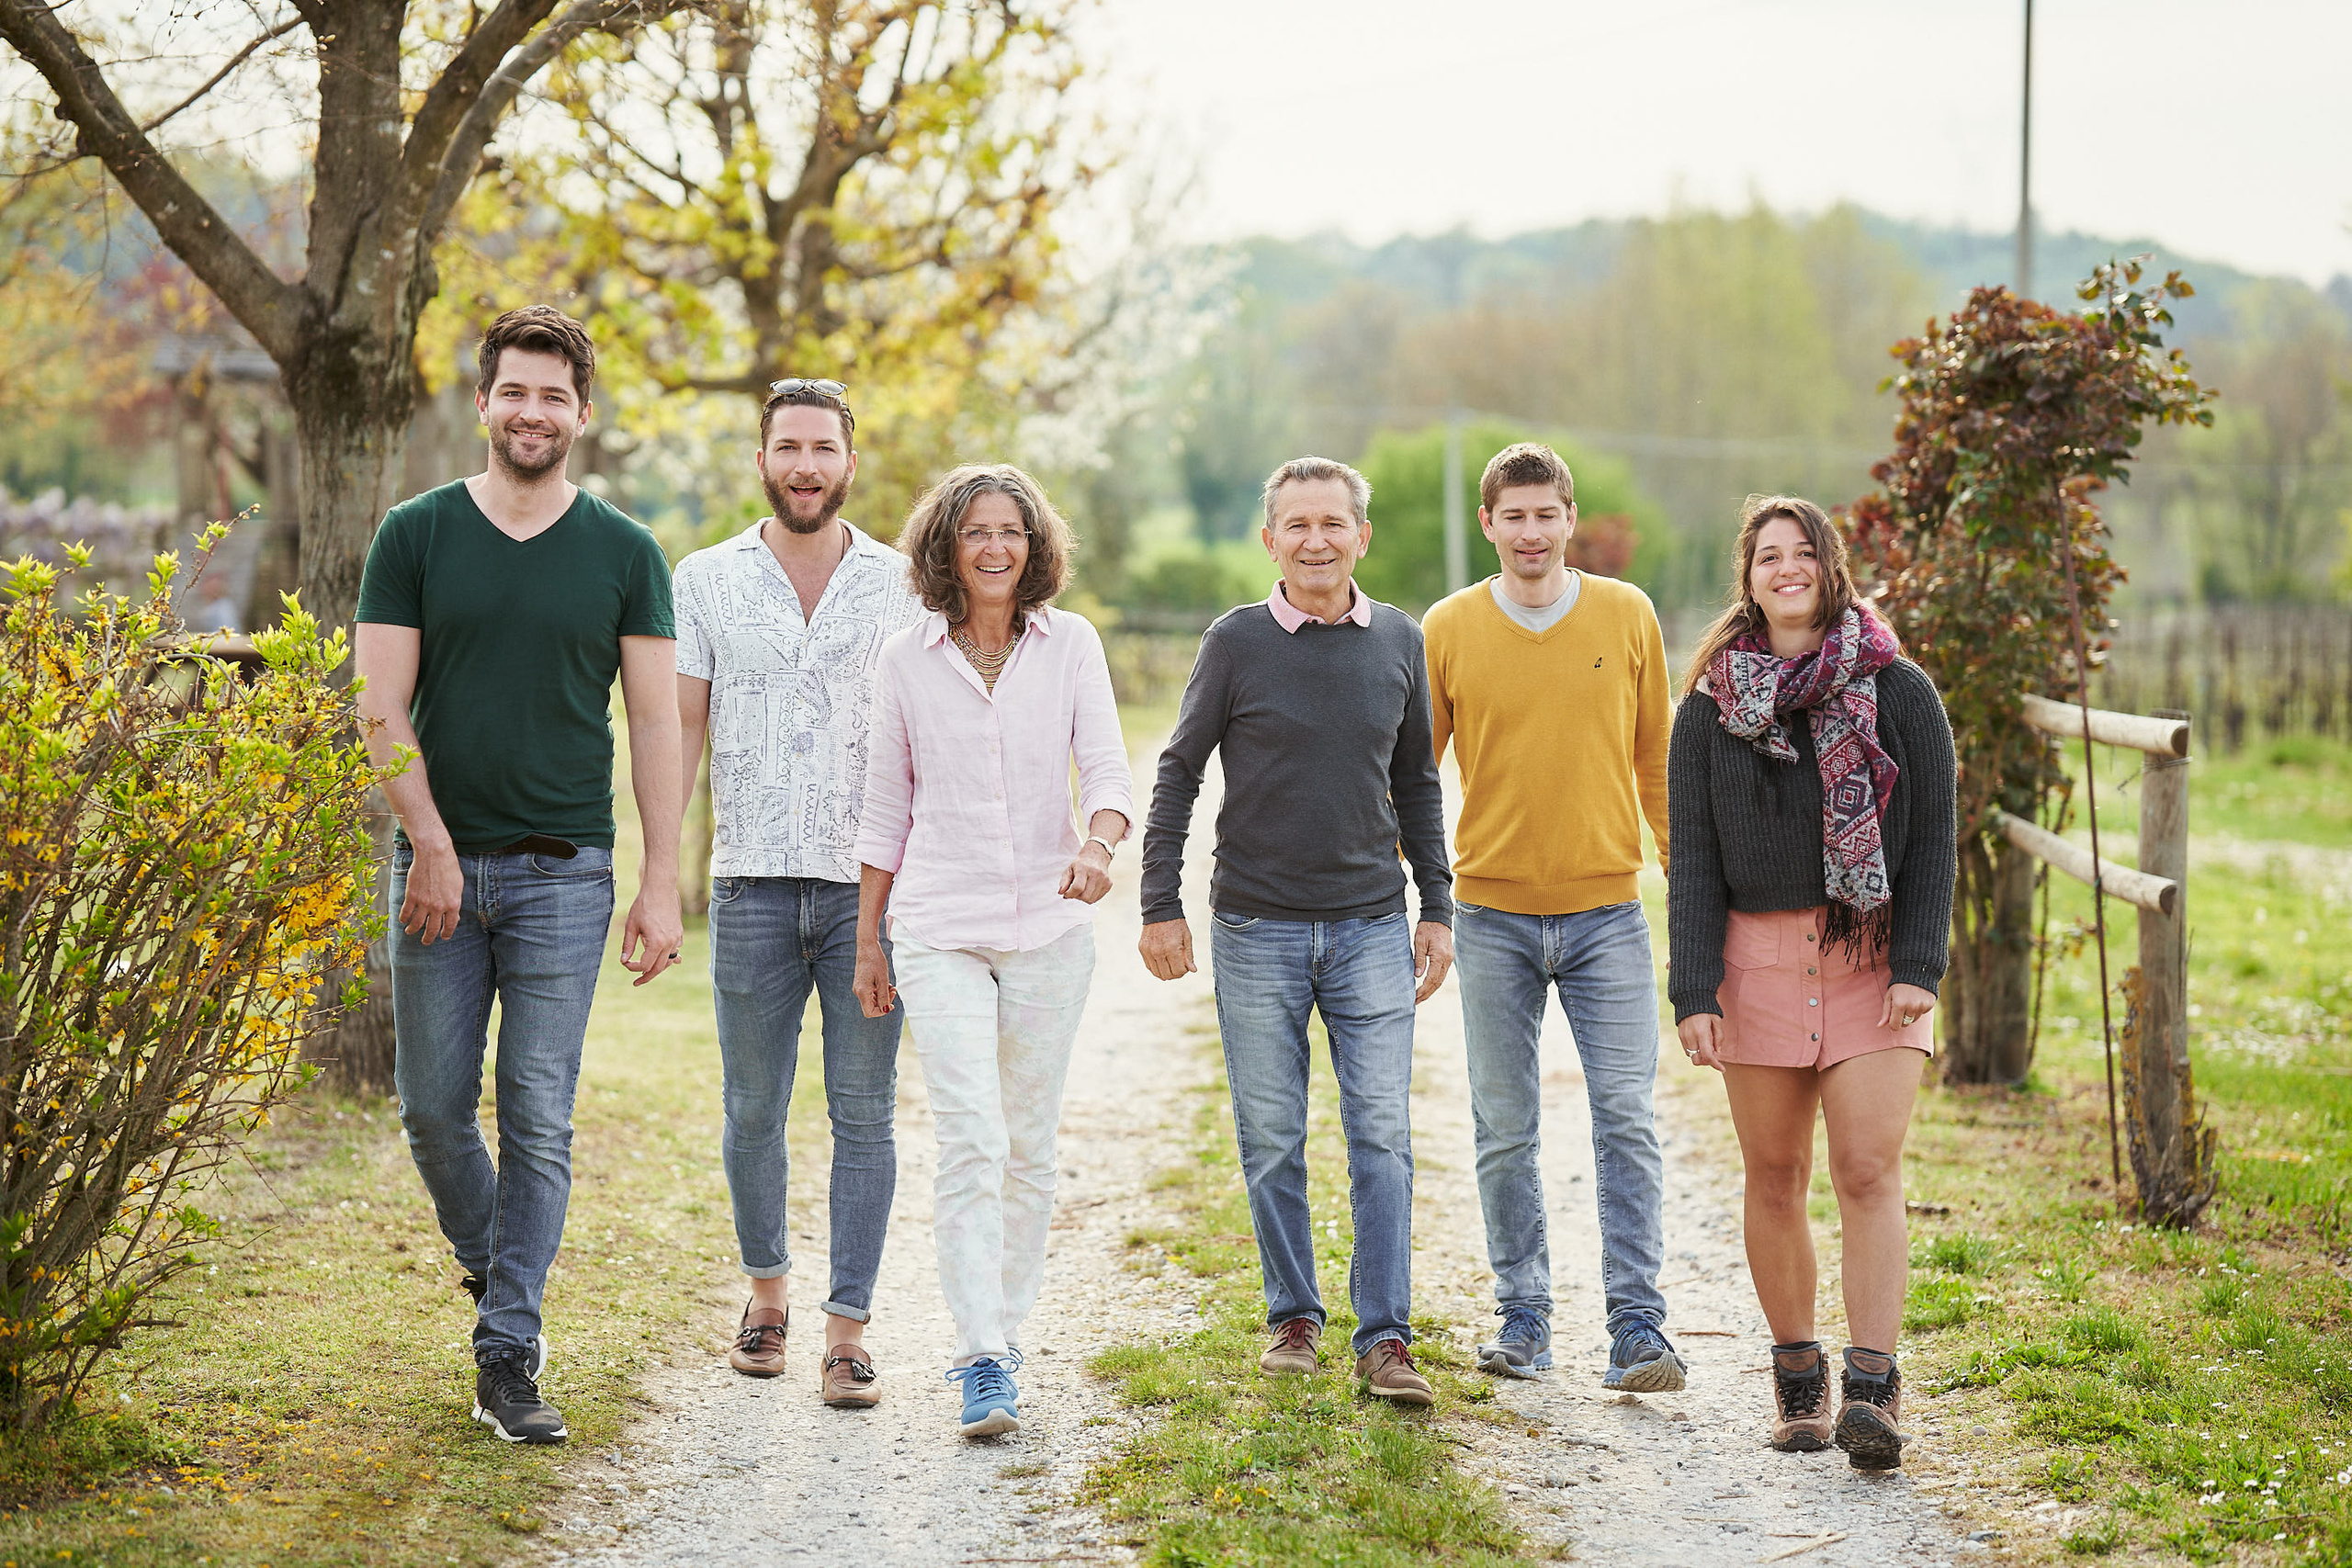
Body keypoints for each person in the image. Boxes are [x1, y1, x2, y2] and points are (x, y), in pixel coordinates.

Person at [355, 306, 684, 1446]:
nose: (533, 412)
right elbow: (378, 707)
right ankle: (503, 1285)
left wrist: (658, 880)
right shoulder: (417, 533)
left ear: (581, 417)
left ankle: (507, 1347)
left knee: (538, 1115)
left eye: (555, 396)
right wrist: (431, 844)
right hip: (435, 871)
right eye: (515, 391)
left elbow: (654, 725)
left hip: (565, 876)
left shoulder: (626, 553)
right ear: (483, 400)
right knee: (434, 1109)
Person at [1140, 456, 1453, 1407]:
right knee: (1272, 1136)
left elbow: (1416, 784)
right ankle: (1293, 1316)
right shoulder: (1236, 642)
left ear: (1361, 535)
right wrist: (1159, 900)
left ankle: (1385, 1338)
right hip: (1253, 927)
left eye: (1333, 523)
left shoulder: (1399, 639)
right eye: (1297, 524)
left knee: (1382, 1138)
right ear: (1268, 539)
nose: (1315, 540)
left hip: (1368, 926)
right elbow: (1178, 771)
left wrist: (1435, 903)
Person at [1667, 494, 1955, 1471]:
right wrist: (1693, 988)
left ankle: (1873, 1388)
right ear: (1746, 576)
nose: (1785, 570)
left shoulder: (1899, 688)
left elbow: (1937, 842)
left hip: (1871, 960)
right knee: (1775, 1175)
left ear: (1829, 567)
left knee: (1867, 1170)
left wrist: (1919, 964)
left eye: (1801, 554)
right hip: (1752, 964)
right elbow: (1695, 857)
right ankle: (1799, 1380)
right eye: (1766, 556)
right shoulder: (1709, 704)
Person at [851, 464, 1131, 1438]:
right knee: (972, 1139)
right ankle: (978, 1358)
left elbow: (1105, 767)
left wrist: (1097, 848)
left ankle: (1005, 1336)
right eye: (976, 532)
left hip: (1051, 928)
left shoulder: (1072, 645)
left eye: (1012, 531)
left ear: (1035, 545)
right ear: (947, 547)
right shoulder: (903, 658)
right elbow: (885, 809)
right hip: (937, 927)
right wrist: (867, 947)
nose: (996, 548)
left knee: (1029, 1146)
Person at [672, 377, 921, 1404]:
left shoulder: (907, 584)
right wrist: (662, 876)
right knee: (751, 1110)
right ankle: (766, 1297)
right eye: (788, 448)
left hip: (873, 894)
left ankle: (847, 1329)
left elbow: (931, 735)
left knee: (864, 1112)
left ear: (849, 462)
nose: (806, 465)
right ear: (762, 459)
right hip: (752, 888)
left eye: (823, 448)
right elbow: (679, 728)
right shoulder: (705, 579)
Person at [1422, 443, 1683, 1392]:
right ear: (1489, 525)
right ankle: (1523, 1318)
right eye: (1513, 516)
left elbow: (1658, 760)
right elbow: (1414, 777)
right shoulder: (1447, 628)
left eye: (1547, 513)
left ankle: (1637, 1330)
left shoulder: (1627, 615)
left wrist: (1681, 881)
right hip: (1489, 913)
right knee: (1504, 1125)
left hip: (1607, 912)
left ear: (1569, 519)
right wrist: (1424, 899)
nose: (1531, 532)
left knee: (1624, 1116)